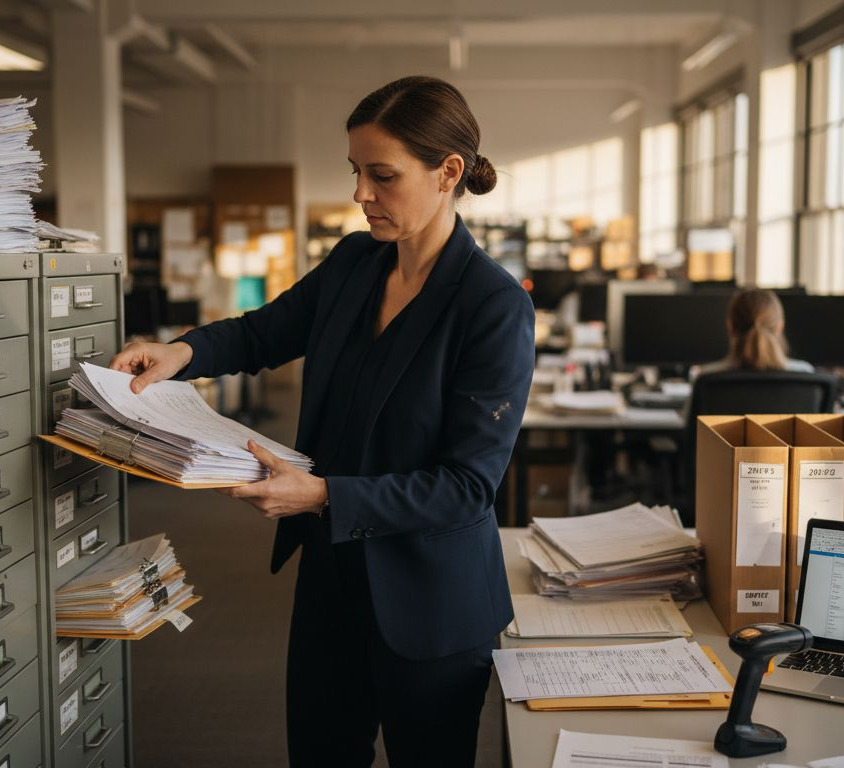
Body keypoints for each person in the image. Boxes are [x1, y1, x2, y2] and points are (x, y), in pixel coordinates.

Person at [109, 75, 535, 767]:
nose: (360, 194)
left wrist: (324, 495)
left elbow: (465, 487)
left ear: (447, 173)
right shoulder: (354, 263)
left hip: (431, 600)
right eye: (356, 172)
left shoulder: (491, 304)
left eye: (382, 175)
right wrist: (180, 352)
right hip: (334, 579)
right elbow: (262, 333)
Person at [692, 287, 813, 379]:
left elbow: (692, 413)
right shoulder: (807, 375)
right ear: (780, 327)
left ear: (730, 327)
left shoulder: (707, 378)